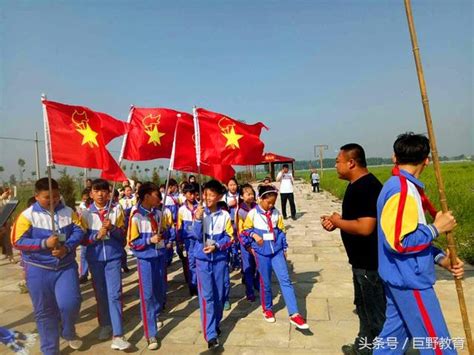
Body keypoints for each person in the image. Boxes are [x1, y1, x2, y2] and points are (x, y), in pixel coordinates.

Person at [374, 133, 464, 354]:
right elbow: (399, 242)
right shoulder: (402, 191)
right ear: (427, 160)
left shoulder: (401, 187)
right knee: (438, 346)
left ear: (394, 157)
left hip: (399, 276)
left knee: (391, 343)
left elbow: (408, 236)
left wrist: (439, 257)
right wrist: (436, 228)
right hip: (410, 280)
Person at [321, 143, 385, 355]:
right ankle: (363, 348)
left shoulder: (367, 187)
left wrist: (339, 222)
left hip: (370, 264)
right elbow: (355, 221)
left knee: (376, 315)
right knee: (364, 309)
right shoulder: (355, 185)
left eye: (338, 161)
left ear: (351, 162)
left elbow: (366, 227)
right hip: (360, 262)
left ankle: (386, 351)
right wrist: (337, 221)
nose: (336, 166)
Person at [11, 177, 83, 354]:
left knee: (71, 304)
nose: (53, 200)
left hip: (65, 267)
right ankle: (50, 350)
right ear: (36, 196)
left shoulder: (68, 211)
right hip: (38, 269)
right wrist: (44, 244)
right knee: (45, 312)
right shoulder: (27, 216)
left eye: (56, 196)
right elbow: (17, 241)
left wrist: (66, 247)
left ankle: (68, 330)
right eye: (47, 197)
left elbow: (80, 230)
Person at [242, 185, 309, 330]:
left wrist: (284, 248)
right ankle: (267, 308)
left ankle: (294, 313)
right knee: (265, 283)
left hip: (277, 252)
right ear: (261, 199)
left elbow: (282, 231)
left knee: (285, 280)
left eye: (273, 202)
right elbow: (245, 231)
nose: (271, 205)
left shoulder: (276, 213)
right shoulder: (253, 214)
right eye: (269, 202)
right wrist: (254, 235)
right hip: (261, 253)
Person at [81, 179, 131, 351]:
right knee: (101, 295)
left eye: (104, 191)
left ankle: (118, 335)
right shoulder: (85, 214)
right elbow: (81, 240)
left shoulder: (117, 210)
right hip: (95, 259)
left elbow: (124, 236)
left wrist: (112, 229)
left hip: (113, 258)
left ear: (109, 193)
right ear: (91, 194)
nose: (101, 194)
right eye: (97, 191)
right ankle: (105, 325)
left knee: (115, 294)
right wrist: (96, 236)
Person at [128, 182, 174, 350]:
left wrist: (166, 238)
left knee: (159, 291)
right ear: (147, 196)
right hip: (146, 260)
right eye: (156, 195)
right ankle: (150, 334)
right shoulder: (136, 217)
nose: (159, 198)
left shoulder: (161, 214)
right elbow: (132, 243)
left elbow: (169, 232)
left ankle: (154, 316)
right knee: (147, 295)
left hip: (160, 257)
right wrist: (149, 240)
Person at [192, 180, 233, 349]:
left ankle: (215, 324)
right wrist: (198, 219)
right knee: (207, 298)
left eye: (212, 195)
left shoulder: (224, 215)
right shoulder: (199, 213)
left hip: (220, 260)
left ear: (219, 197)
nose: (208, 198)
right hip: (202, 261)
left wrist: (217, 246)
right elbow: (195, 235)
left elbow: (230, 237)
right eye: (206, 194)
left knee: (220, 295)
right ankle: (210, 335)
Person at [236, 183, 259, 302]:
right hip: (246, 244)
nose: (251, 196)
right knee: (248, 267)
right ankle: (249, 291)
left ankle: (256, 284)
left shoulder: (257, 207)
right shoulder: (240, 211)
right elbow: (240, 231)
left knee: (257, 265)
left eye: (252, 194)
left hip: (257, 241)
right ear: (241, 196)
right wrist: (247, 245)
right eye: (248, 194)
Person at [177, 183, 199, 295]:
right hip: (188, 241)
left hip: (199, 240)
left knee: (200, 261)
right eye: (189, 193)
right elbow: (179, 227)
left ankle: (199, 284)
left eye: (193, 193)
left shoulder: (200, 207)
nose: (192, 196)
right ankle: (193, 285)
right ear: (185, 194)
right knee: (191, 263)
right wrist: (179, 242)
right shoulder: (181, 210)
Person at [78, 188, 91, 283]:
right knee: (84, 255)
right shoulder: (82, 206)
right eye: (83, 199)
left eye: (87, 198)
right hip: (85, 233)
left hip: (94, 234)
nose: (85, 200)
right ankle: (83, 274)